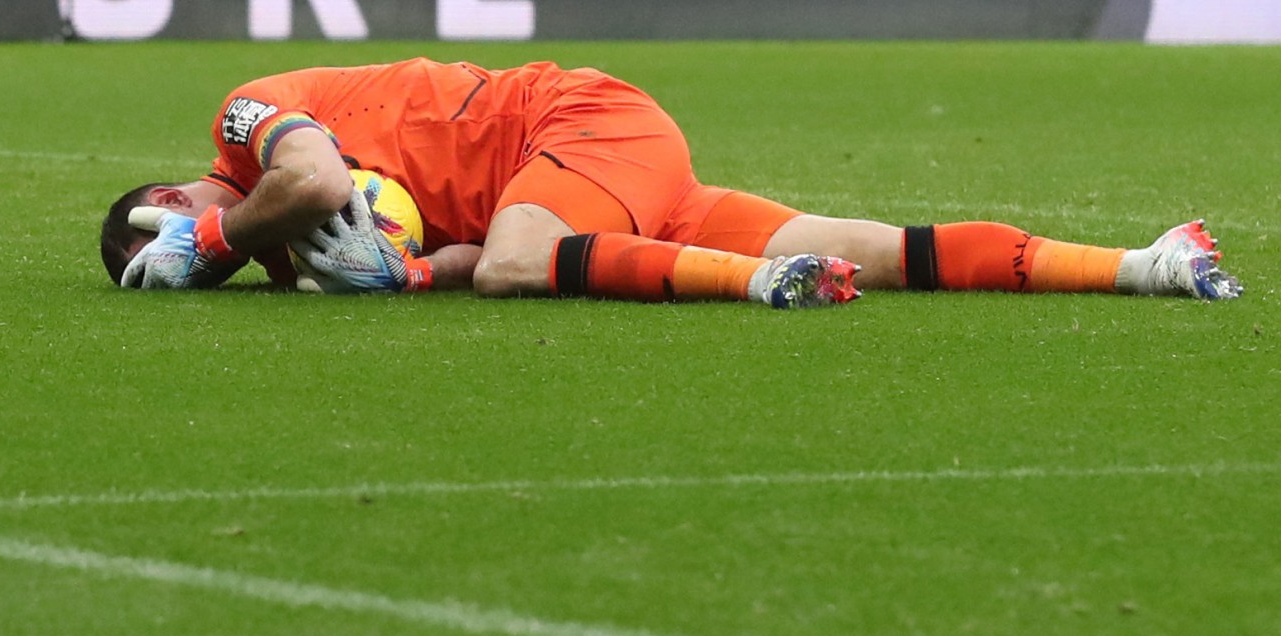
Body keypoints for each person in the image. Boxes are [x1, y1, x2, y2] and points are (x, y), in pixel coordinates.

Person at [100, 57, 1242, 307]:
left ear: (178, 191)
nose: (207, 245)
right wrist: (405, 274)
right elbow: (440, 250)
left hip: (572, 127)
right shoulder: (285, 247)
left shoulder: (247, 128)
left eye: (177, 226)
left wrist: (206, 244)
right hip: (582, 181)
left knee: (513, 265)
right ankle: (1145, 264)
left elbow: (303, 183)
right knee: (885, 249)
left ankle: (754, 287)